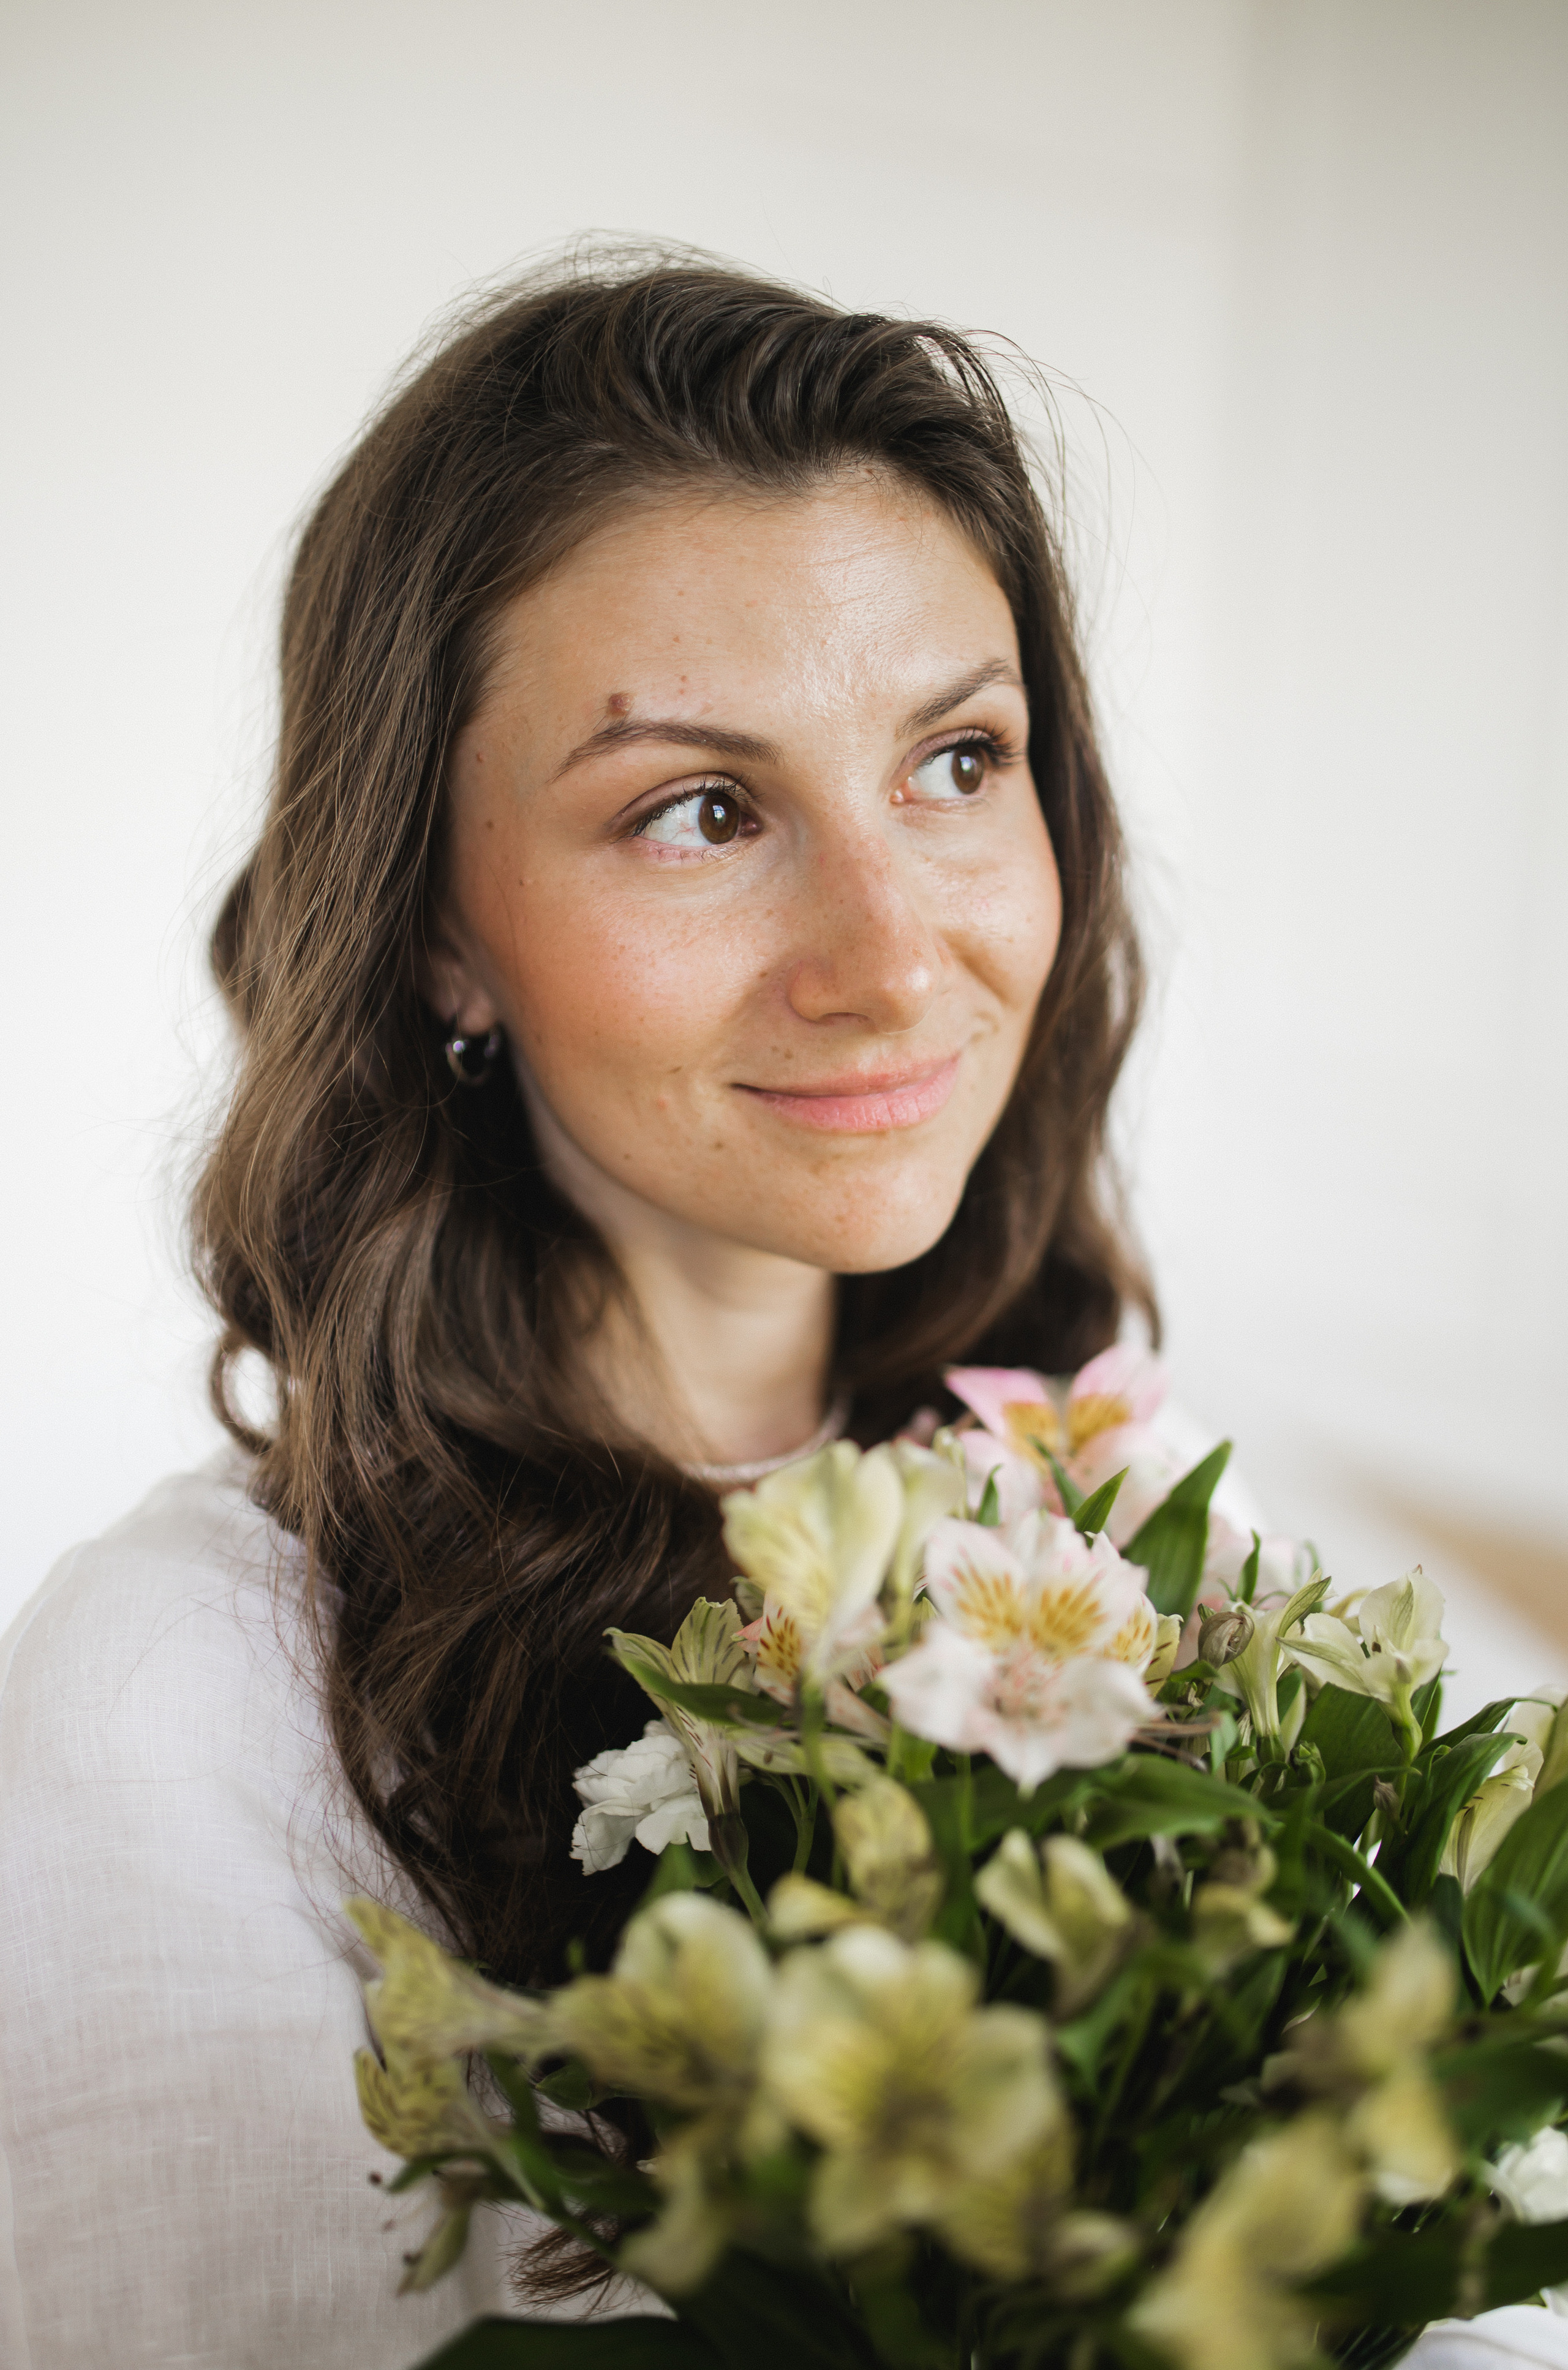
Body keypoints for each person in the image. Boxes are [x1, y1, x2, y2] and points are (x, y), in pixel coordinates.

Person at [10, 251, 1527, 2370]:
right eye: (702, 812)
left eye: (958, 762)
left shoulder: (1138, 1533)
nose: (894, 956)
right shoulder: (181, 1703)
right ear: (439, 932)